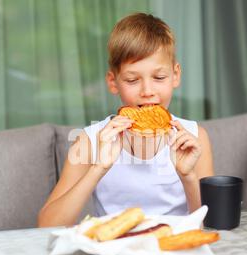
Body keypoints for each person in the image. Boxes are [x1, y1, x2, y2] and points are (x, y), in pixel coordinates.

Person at [38, 13, 214, 227]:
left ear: (175, 75)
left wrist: (188, 176)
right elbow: (46, 225)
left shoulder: (195, 137)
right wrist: (98, 168)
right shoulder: (90, 141)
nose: (147, 91)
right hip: (115, 253)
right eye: (132, 80)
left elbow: (211, 224)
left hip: (176, 250)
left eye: (159, 78)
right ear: (113, 82)